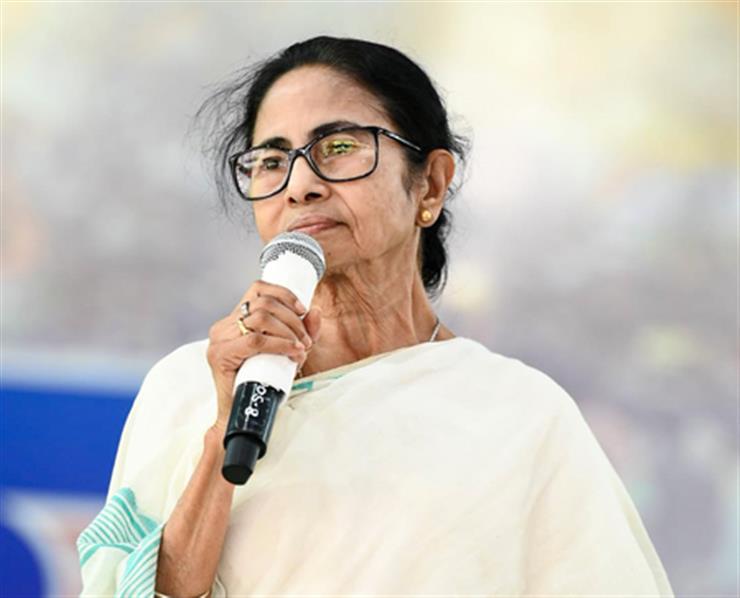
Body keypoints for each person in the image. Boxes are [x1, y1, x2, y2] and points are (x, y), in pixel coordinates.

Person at [77, 36, 674, 597]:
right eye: (271, 160)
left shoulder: (520, 416)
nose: (300, 185)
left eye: (339, 148)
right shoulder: (184, 388)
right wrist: (221, 434)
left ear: (430, 185)